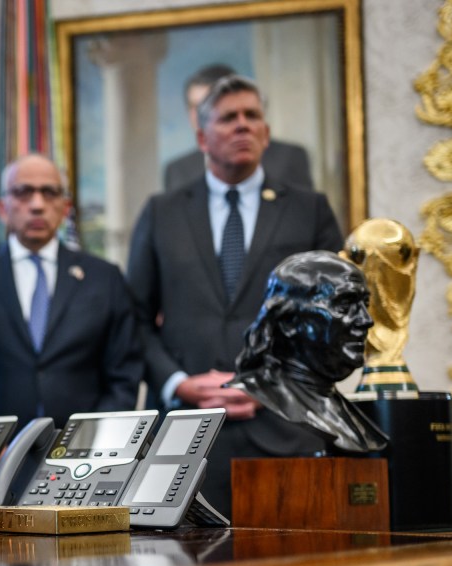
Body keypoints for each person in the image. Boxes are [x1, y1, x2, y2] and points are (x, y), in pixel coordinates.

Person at [126, 74, 344, 517]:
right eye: (229, 118)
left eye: (252, 116)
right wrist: (177, 383)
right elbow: (135, 319)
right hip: (184, 440)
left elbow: (333, 318)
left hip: (286, 433)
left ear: (265, 131)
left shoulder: (310, 209)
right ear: (202, 137)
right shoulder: (162, 212)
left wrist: (272, 383)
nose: (243, 125)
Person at [0, 153, 141, 424]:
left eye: (49, 192)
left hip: (84, 452)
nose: (37, 205)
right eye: (23, 192)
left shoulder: (103, 278)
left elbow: (124, 374)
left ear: (65, 207)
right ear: (2, 208)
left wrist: (93, 440)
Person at [231, 250, 386, 453]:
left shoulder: (351, 418)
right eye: (345, 304)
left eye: (364, 304)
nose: (366, 320)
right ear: (289, 321)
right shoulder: (265, 397)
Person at [163, 64, 313, 193]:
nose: (200, 115)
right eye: (194, 106)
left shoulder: (287, 159)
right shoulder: (177, 170)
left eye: (209, 105)